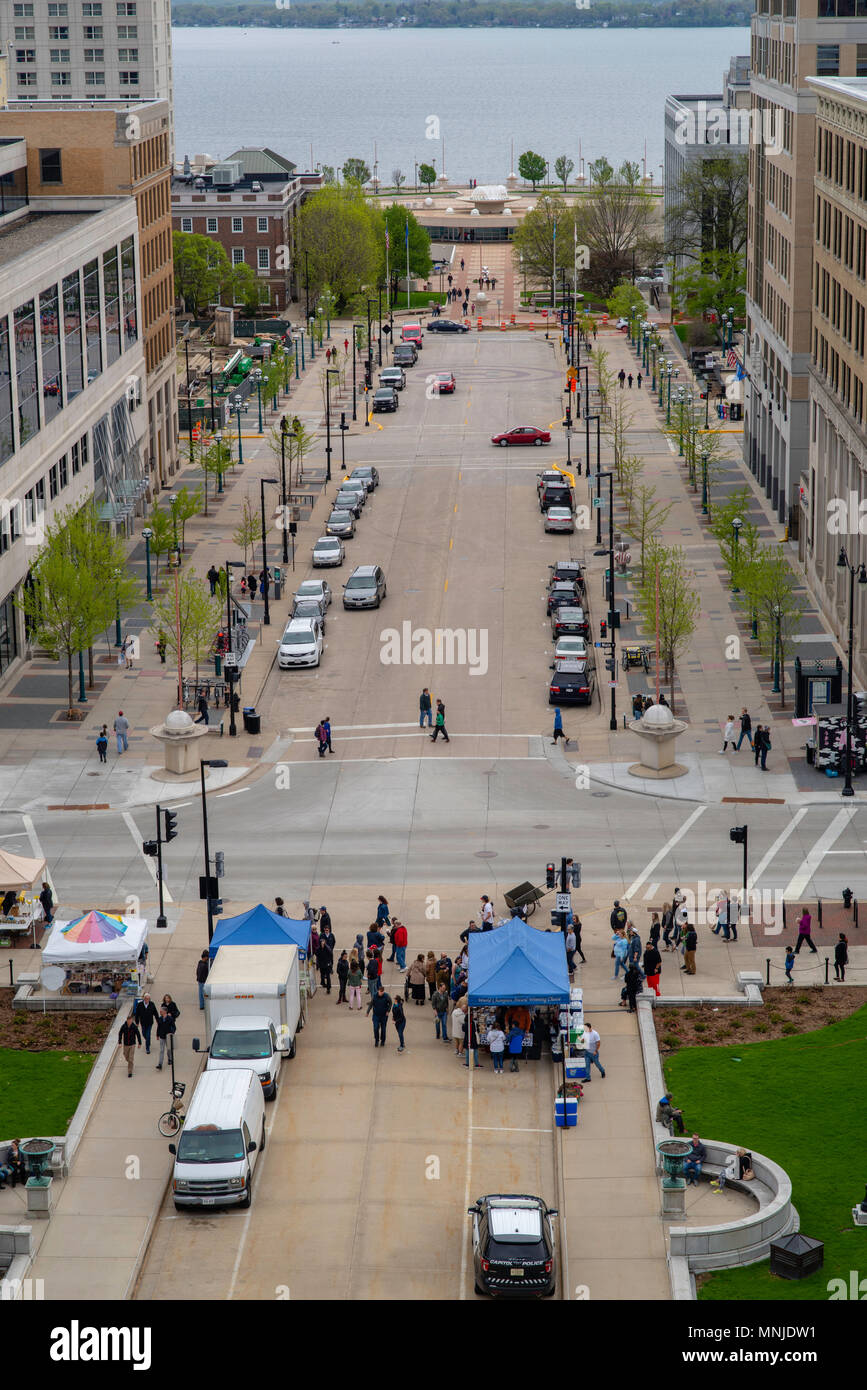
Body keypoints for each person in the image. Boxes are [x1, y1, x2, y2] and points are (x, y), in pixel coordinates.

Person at [366, 983, 392, 1047]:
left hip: (384, 1016)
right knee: (375, 1028)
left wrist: (388, 1011)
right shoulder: (374, 996)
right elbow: (371, 1004)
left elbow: (390, 1003)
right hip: (376, 1015)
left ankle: (383, 1041)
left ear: (383, 991)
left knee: (383, 1029)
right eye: (380, 992)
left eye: (382, 992)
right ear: (378, 991)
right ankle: (376, 1040)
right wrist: (367, 1012)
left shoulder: (386, 996)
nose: (381, 993)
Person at [118, 1011, 142, 1078]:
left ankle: (130, 1072)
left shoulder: (134, 1027)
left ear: (132, 1021)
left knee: (130, 1059)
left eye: (131, 1021)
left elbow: (138, 1034)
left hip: (132, 1044)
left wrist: (139, 1043)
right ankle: (130, 1063)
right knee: (126, 1056)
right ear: (127, 1021)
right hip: (126, 1044)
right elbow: (120, 1033)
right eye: (129, 1021)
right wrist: (119, 1042)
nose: (130, 1022)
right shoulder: (124, 1026)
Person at [155, 1005, 176, 1070]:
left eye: (161, 1011)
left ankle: (170, 1059)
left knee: (169, 1049)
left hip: (168, 1036)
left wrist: (171, 1033)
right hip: (162, 1036)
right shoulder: (160, 1018)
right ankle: (160, 1064)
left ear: (165, 1012)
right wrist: (157, 1035)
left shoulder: (170, 1019)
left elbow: (174, 1027)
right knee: (161, 1050)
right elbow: (158, 1027)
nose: (160, 1012)